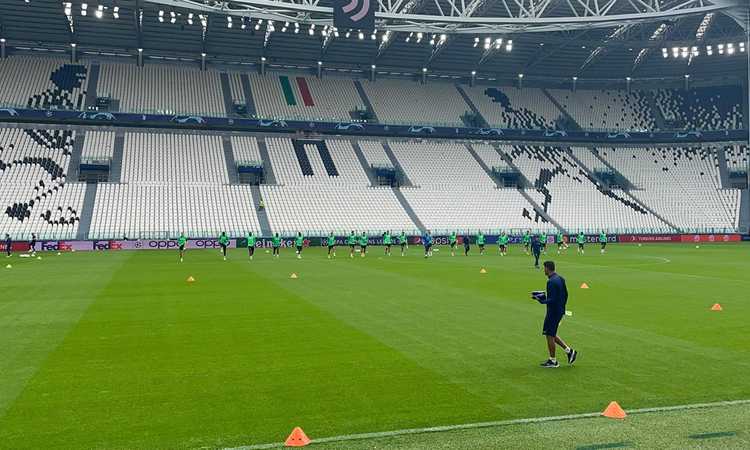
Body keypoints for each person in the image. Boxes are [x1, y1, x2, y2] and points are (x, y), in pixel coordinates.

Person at [533, 261, 578, 368]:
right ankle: (569, 351)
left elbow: (552, 299)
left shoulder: (551, 282)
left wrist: (540, 299)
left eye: (544, 268)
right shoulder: (560, 278)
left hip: (553, 312)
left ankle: (553, 361)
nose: (543, 270)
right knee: (551, 333)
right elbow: (565, 294)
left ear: (548, 268)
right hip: (559, 310)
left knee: (549, 334)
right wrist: (562, 307)